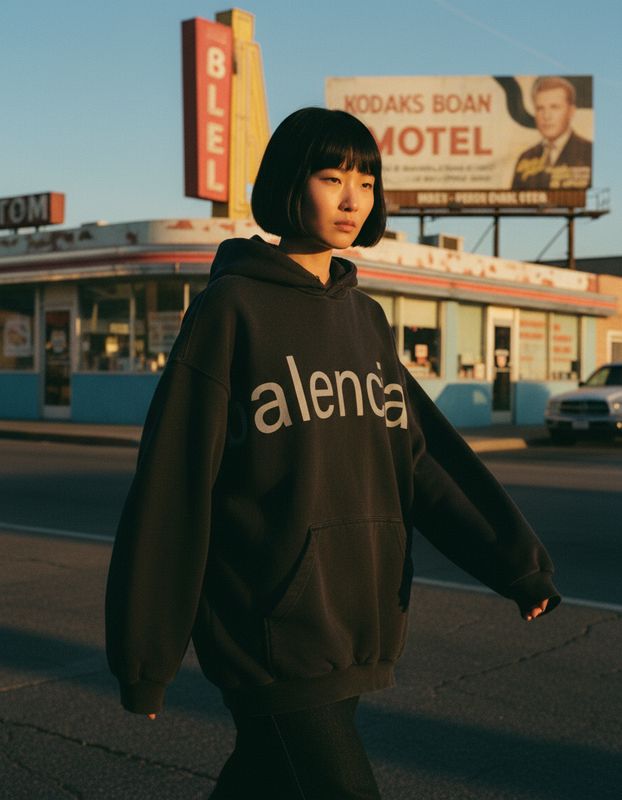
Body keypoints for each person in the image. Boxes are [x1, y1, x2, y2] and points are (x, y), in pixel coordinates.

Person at [106, 107, 561, 799]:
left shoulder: (366, 320)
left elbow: (419, 462)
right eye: (332, 176)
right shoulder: (232, 311)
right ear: (293, 181)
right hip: (272, 631)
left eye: (367, 181)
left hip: (355, 622)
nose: (353, 199)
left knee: (262, 782)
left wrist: (514, 564)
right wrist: (148, 654)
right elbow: (175, 486)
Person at [511, 76, 592, 190]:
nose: (546, 116)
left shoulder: (589, 153)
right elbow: (514, 206)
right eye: (540, 109)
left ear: (571, 111)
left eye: (554, 107)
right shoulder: (526, 157)